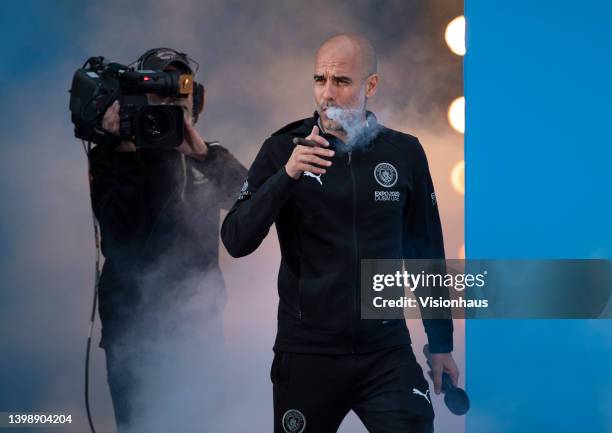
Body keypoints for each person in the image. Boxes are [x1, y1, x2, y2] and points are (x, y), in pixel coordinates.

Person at [221, 34, 459, 432]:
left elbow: (426, 253)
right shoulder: (283, 149)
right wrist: (287, 176)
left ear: (371, 85)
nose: (327, 93)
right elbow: (235, 240)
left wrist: (440, 343)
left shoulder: (404, 152)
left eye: (341, 81)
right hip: (308, 353)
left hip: (384, 350)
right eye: (319, 80)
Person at [89, 48, 246, 432]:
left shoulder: (209, 157)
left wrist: (202, 154)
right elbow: (120, 238)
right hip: (132, 329)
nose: (173, 102)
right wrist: (125, 147)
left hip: (198, 323)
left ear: (198, 100)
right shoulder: (111, 158)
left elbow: (253, 203)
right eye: (161, 94)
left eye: (180, 92)